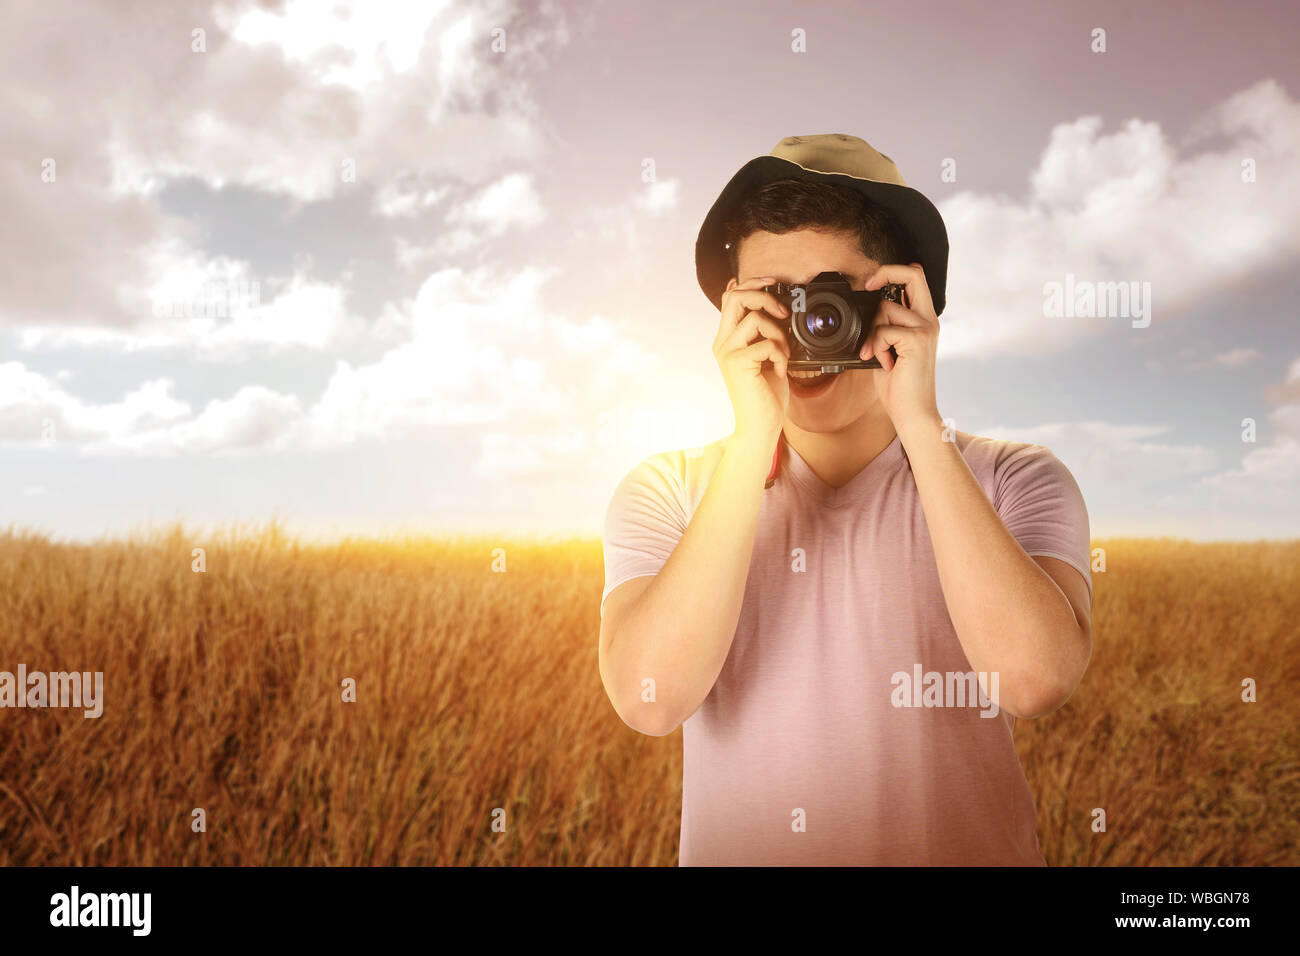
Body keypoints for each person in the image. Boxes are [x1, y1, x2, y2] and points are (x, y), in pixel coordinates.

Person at [598, 134, 1093, 865]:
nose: (805, 331)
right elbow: (649, 699)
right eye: (775, 301)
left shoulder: (1015, 479)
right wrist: (751, 439)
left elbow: (1032, 681)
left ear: (901, 300)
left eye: (828, 299)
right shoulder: (669, 490)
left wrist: (920, 427)